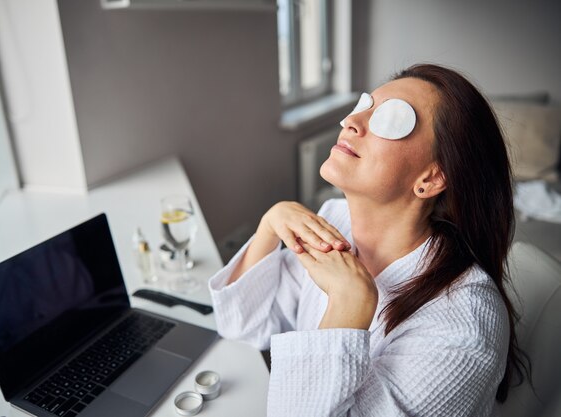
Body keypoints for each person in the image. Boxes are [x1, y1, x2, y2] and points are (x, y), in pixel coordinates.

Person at [208, 64, 528, 416]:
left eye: (391, 119)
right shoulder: (334, 220)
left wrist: (349, 304)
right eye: (365, 105)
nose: (351, 121)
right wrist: (269, 227)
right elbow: (242, 323)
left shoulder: (464, 333)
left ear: (431, 179)